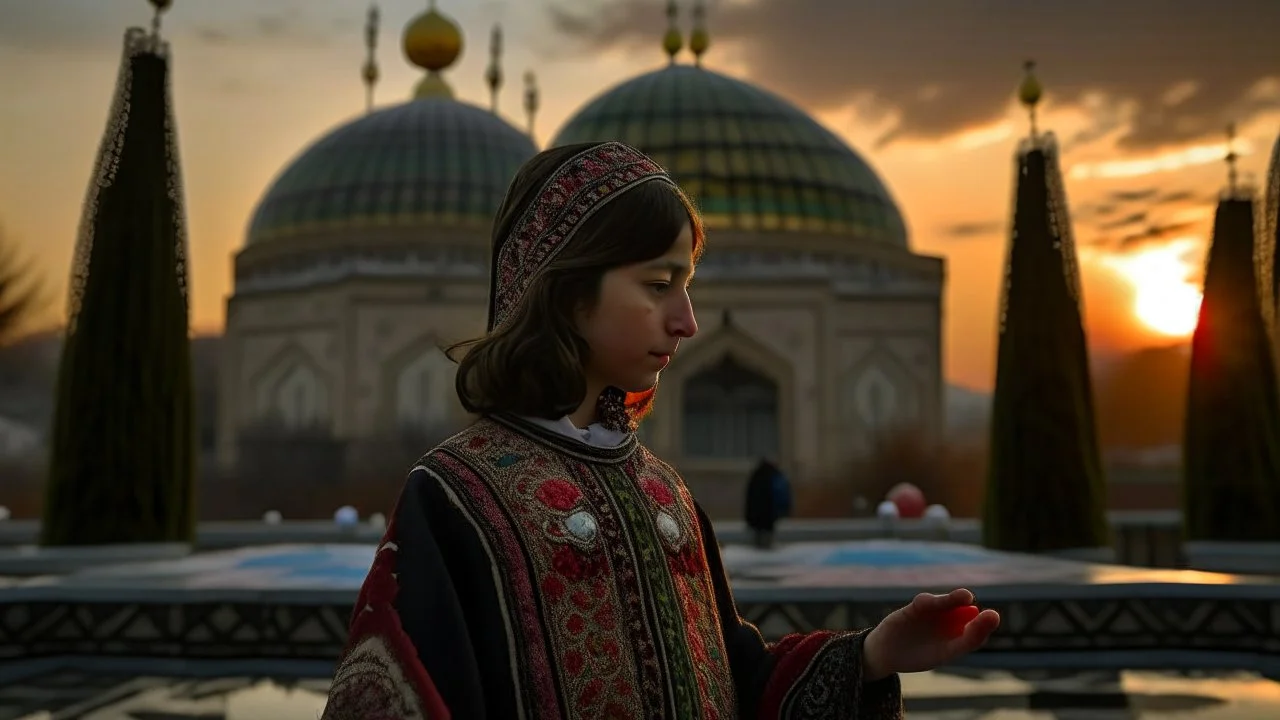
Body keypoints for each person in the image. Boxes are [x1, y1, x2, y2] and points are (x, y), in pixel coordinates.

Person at [321, 141, 1001, 719]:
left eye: (687, 285)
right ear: (567, 290)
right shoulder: (456, 499)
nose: (688, 320)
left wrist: (873, 655)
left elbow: (737, 684)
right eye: (658, 285)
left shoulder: (662, 494)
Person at [745, 457, 791, 549]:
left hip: (758, 514)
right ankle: (766, 546)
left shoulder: (756, 476)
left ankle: (761, 547)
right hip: (769, 514)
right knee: (767, 534)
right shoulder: (774, 476)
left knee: (759, 535)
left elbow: (750, 499)